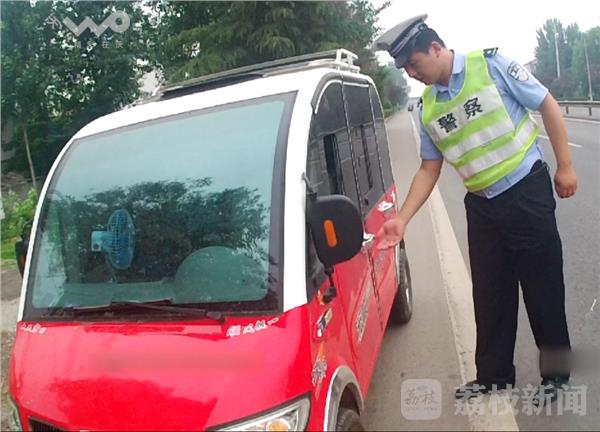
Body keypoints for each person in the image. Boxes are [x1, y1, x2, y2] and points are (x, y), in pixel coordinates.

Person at [372, 14, 577, 405]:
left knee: (543, 287)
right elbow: (429, 168)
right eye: (406, 69)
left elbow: (546, 103)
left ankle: (555, 376)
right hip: (482, 206)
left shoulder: (491, 65)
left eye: (414, 63)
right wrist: (402, 219)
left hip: (525, 192)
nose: (412, 74)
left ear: (435, 48)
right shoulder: (428, 108)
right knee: (490, 294)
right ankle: (494, 376)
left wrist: (565, 165)